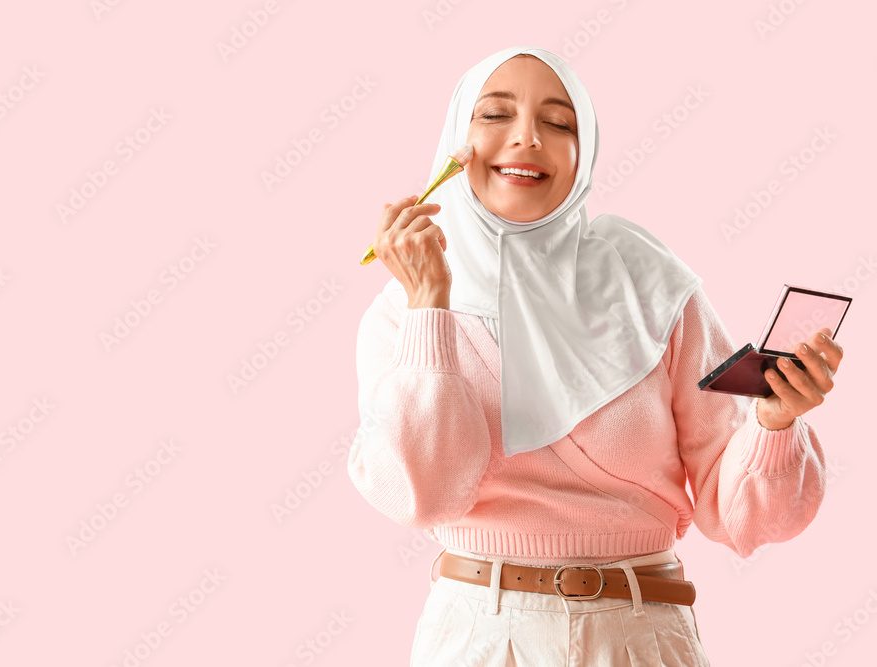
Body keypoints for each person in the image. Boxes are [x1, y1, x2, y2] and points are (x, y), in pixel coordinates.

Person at [347, 46, 844, 666]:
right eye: (495, 115)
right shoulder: (404, 314)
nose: (527, 137)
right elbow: (423, 494)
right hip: (476, 637)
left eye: (559, 123)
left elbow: (743, 516)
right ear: (455, 141)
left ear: (585, 156)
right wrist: (430, 305)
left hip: (640, 637)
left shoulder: (654, 287)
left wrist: (774, 424)